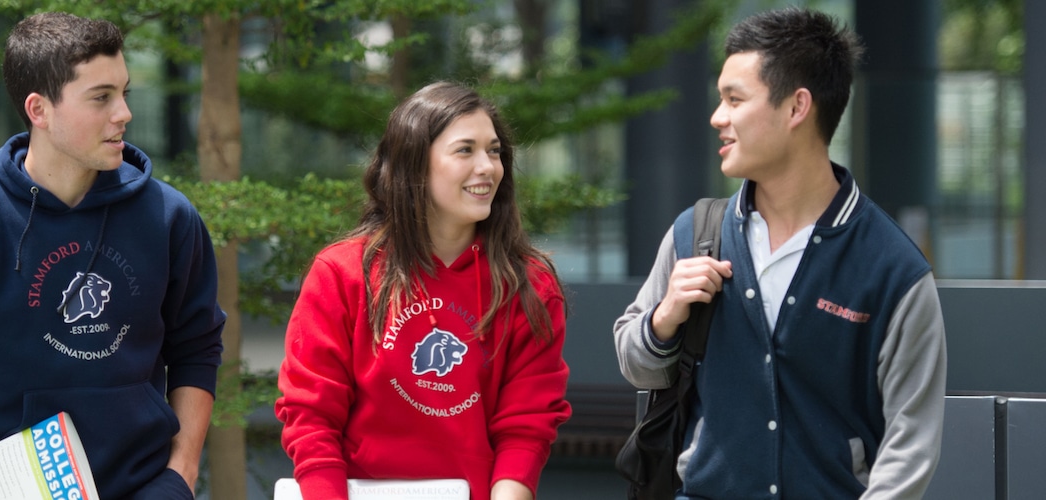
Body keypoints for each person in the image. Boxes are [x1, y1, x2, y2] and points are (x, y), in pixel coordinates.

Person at [0, 12, 225, 500]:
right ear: (39, 110)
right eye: (101, 97)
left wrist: (181, 472)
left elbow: (197, 347)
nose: (123, 113)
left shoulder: (169, 218)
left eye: (125, 92)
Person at [613, 7, 947, 499]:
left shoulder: (893, 268)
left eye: (734, 99)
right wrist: (664, 319)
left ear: (796, 108)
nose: (717, 117)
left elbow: (911, 444)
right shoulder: (695, 233)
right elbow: (637, 366)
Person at [275, 81, 572, 500]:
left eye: (494, 150)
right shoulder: (342, 273)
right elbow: (311, 416)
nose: (488, 167)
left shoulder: (529, 284)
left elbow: (526, 427)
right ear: (415, 165)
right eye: (465, 150)